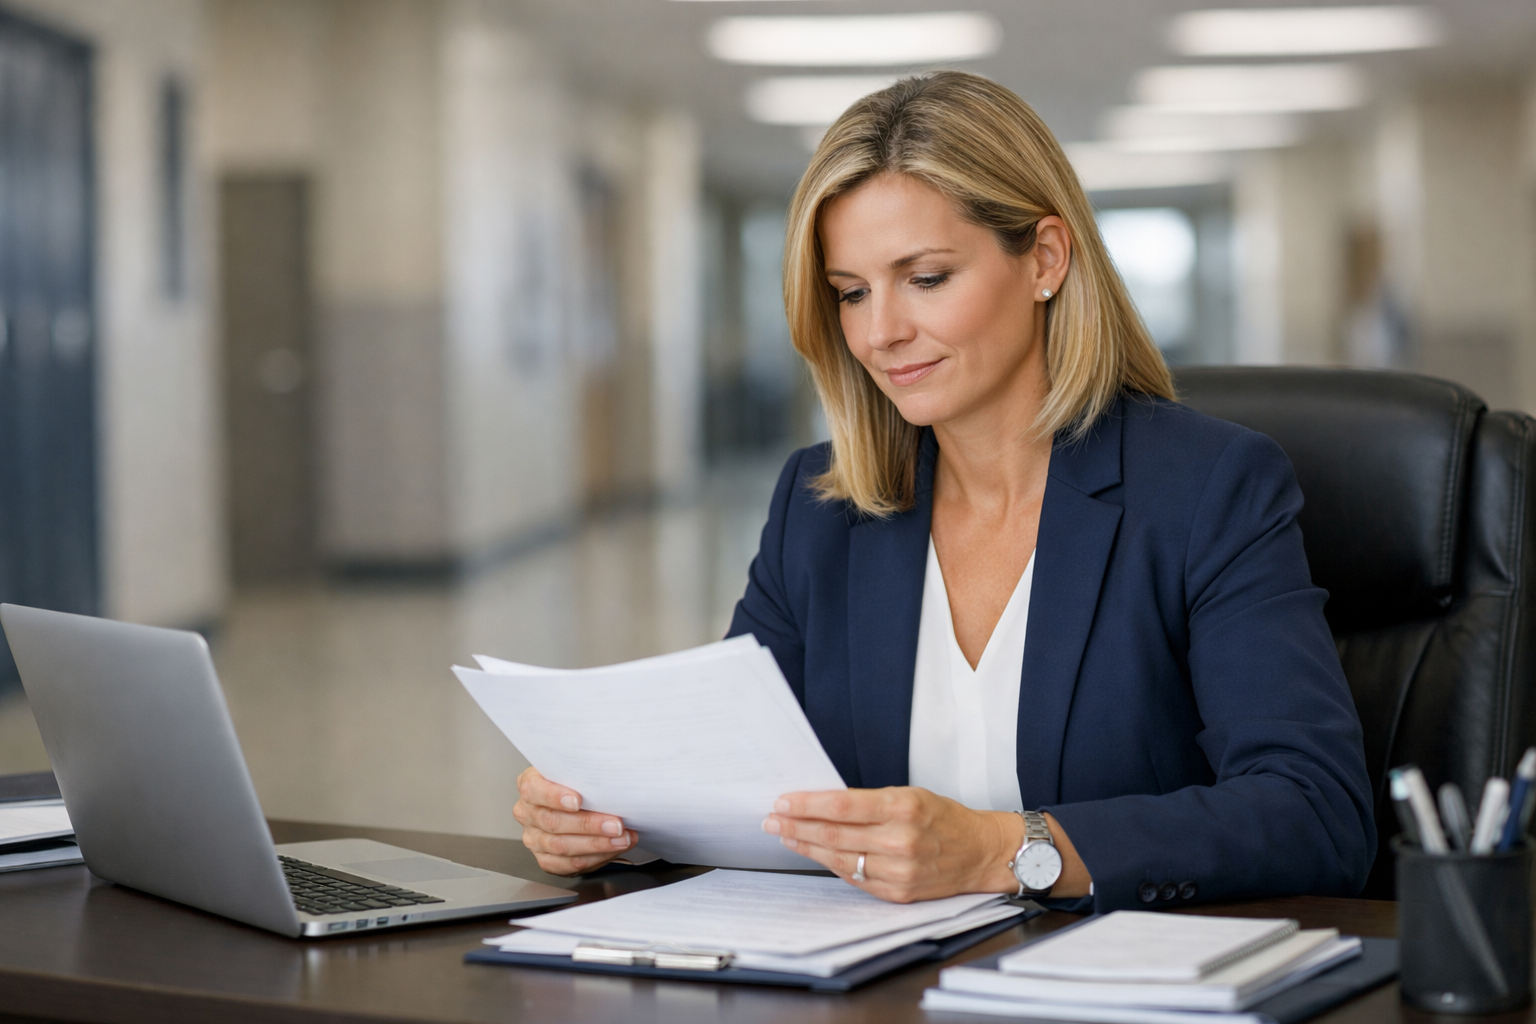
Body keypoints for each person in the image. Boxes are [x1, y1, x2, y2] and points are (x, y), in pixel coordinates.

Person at [512, 71, 1375, 912]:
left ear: (1044, 257)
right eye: (851, 293)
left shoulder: (1208, 488)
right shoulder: (819, 508)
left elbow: (1315, 813)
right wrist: (617, 822)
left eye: (925, 279)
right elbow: (740, 783)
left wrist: (1007, 850)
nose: (881, 333)